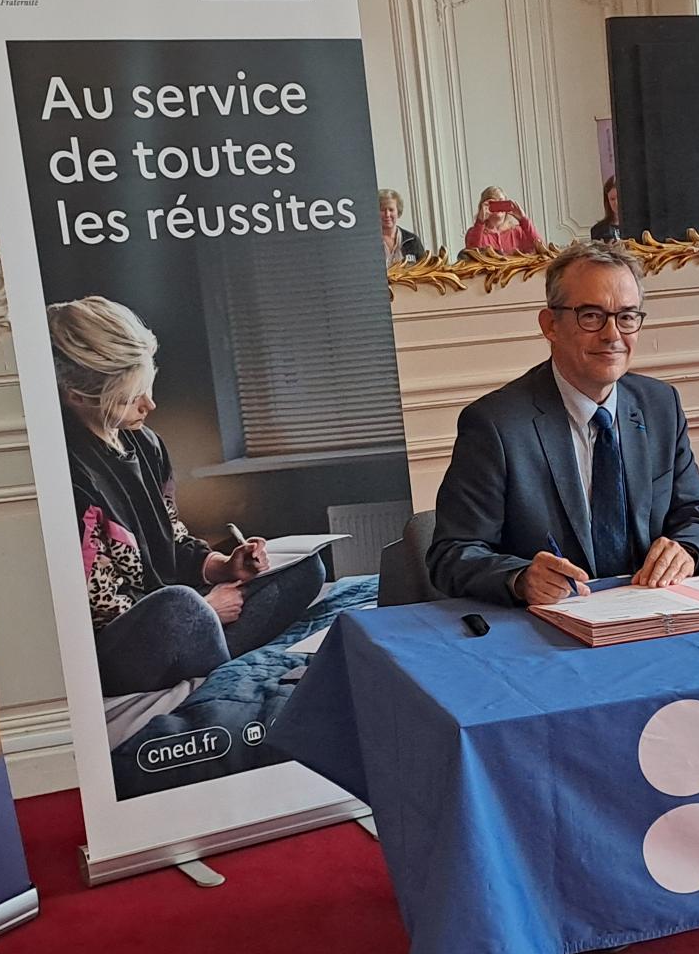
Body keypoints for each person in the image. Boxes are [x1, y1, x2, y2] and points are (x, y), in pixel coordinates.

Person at [47, 295, 324, 697]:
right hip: (126, 641)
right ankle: (212, 646)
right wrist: (208, 608)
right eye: (130, 398)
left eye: (148, 387)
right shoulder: (67, 475)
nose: (150, 405)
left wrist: (224, 566)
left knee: (305, 568)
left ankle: (210, 647)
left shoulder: (146, 444)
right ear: (77, 396)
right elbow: (100, 609)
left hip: (183, 612)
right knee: (180, 608)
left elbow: (173, 540)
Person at [428, 240, 699, 606]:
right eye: (591, 316)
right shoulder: (496, 425)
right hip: (549, 631)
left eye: (627, 316)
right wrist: (519, 579)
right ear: (550, 324)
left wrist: (687, 550)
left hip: (654, 612)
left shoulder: (660, 405)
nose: (612, 334)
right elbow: (453, 553)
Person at [464, 186, 543, 255]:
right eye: (493, 202)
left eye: (501, 201)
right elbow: (472, 255)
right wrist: (480, 221)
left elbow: (541, 248)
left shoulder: (518, 231)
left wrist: (524, 220)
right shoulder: (475, 233)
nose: (498, 205)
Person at [380, 188, 425, 266]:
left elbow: (424, 269)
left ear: (398, 212)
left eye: (391, 210)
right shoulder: (369, 242)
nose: (387, 214)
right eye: (383, 210)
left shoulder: (412, 241)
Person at [590, 176, 622, 242]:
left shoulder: (638, 226)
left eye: (619, 197)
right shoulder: (597, 230)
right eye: (612, 199)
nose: (616, 203)